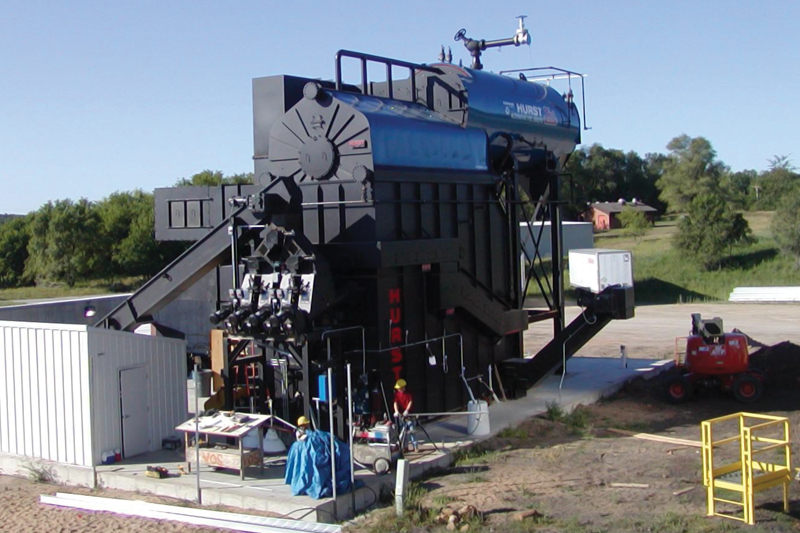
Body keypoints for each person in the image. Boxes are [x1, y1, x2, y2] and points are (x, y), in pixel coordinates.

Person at [393, 379, 418, 452]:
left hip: (409, 415)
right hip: (401, 415)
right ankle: (405, 447)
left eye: (400, 388)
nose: (399, 390)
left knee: (412, 430)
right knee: (403, 432)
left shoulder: (408, 394)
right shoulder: (397, 394)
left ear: (403, 387)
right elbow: (395, 403)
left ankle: (415, 446)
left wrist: (407, 410)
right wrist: (396, 411)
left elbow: (410, 402)